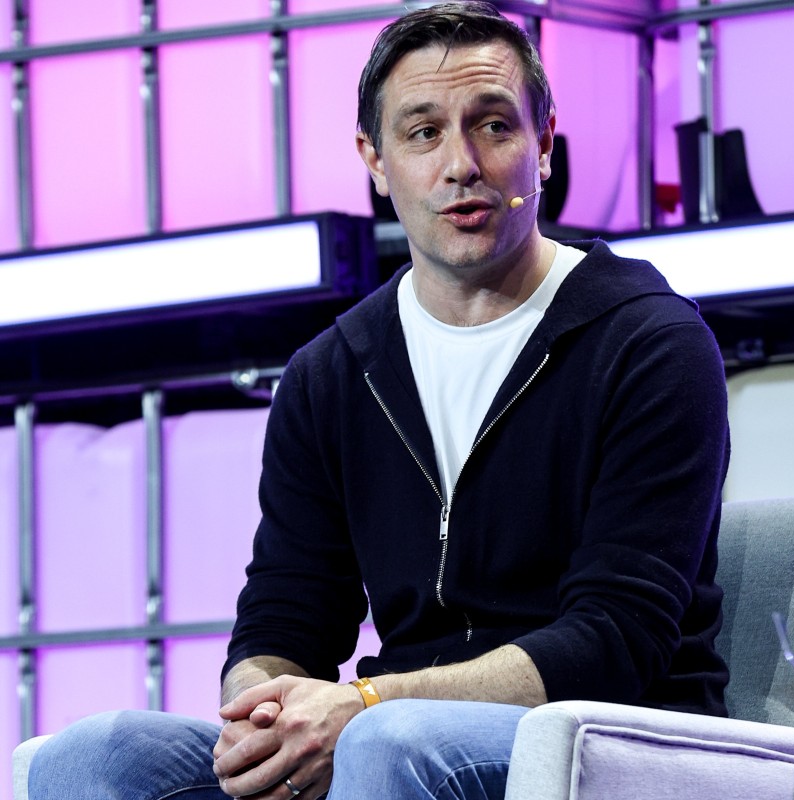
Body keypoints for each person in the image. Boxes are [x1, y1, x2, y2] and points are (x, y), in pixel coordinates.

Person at [28, 3, 730, 799]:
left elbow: (615, 641)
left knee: (390, 744)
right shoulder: (331, 373)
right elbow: (285, 618)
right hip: (391, 736)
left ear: (543, 145)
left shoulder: (649, 342)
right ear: (375, 159)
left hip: (606, 734)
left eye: (494, 126)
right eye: (423, 133)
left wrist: (364, 705)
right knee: (97, 755)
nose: (462, 164)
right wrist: (266, 715)